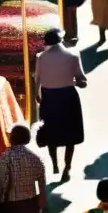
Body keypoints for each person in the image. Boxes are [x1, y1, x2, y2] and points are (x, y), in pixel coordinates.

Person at [35, 29, 87, 181]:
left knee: (51, 132)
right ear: (61, 40)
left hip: (48, 97)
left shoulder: (41, 58)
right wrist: (78, 82)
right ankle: (67, 167)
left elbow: (37, 79)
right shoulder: (73, 55)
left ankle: (55, 163)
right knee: (70, 135)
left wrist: (37, 95)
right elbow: (82, 79)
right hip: (68, 96)